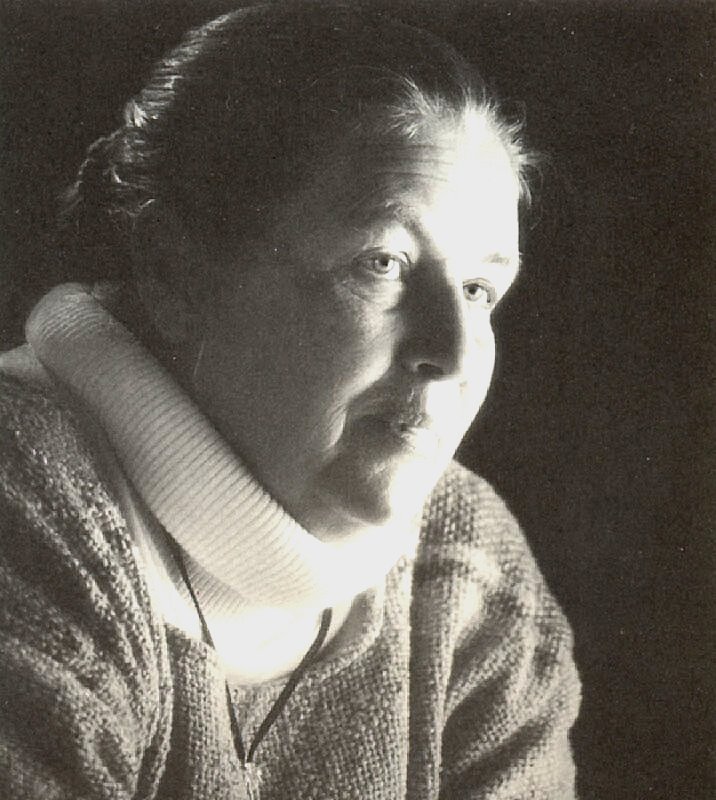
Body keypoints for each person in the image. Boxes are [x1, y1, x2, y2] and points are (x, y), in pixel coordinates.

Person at [0, 3, 580, 798]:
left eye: (480, 289)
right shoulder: (24, 509)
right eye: (382, 264)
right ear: (175, 271)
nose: (448, 355)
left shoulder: (465, 569)